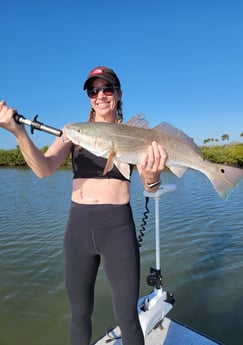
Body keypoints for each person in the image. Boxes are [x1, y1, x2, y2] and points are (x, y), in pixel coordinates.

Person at [0, 66, 167, 345]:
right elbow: (44, 169)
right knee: (79, 314)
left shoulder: (133, 135)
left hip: (118, 230)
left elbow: (151, 188)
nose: (100, 95)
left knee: (127, 316)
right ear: (89, 96)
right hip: (78, 229)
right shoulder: (72, 132)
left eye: (107, 89)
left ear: (118, 93)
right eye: (93, 90)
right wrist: (18, 133)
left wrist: (152, 177)